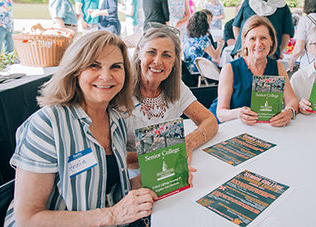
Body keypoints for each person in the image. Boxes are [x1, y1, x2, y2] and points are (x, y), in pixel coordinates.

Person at [4, 31, 157, 226]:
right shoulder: (47, 125)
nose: (106, 76)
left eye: (116, 67)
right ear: (75, 70)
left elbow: (109, 187)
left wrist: (161, 176)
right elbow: (28, 218)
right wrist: (112, 215)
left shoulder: (116, 119)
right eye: (94, 65)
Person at [126, 26, 218, 163]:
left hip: (172, 168)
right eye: (151, 52)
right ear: (139, 53)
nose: (158, 61)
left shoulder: (176, 86)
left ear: (174, 61)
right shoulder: (121, 91)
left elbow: (210, 121)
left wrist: (188, 144)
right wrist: (154, 156)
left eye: (166, 55)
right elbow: (109, 155)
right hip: (133, 175)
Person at [209, 15, 298, 126]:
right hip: (226, 127)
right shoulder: (230, 69)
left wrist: (289, 112)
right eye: (252, 39)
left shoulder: (278, 67)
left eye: (263, 38)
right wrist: (238, 113)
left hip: (261, 129)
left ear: (271, 41)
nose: (258, 44)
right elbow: (221, 113)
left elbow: (292, 100)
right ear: (244, 42)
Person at [183, 11, 224, 87]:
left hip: (189, 71)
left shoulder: (187, 36)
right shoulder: (203, 39)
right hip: (203, 73)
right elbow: (215, 56)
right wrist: (220, 44)